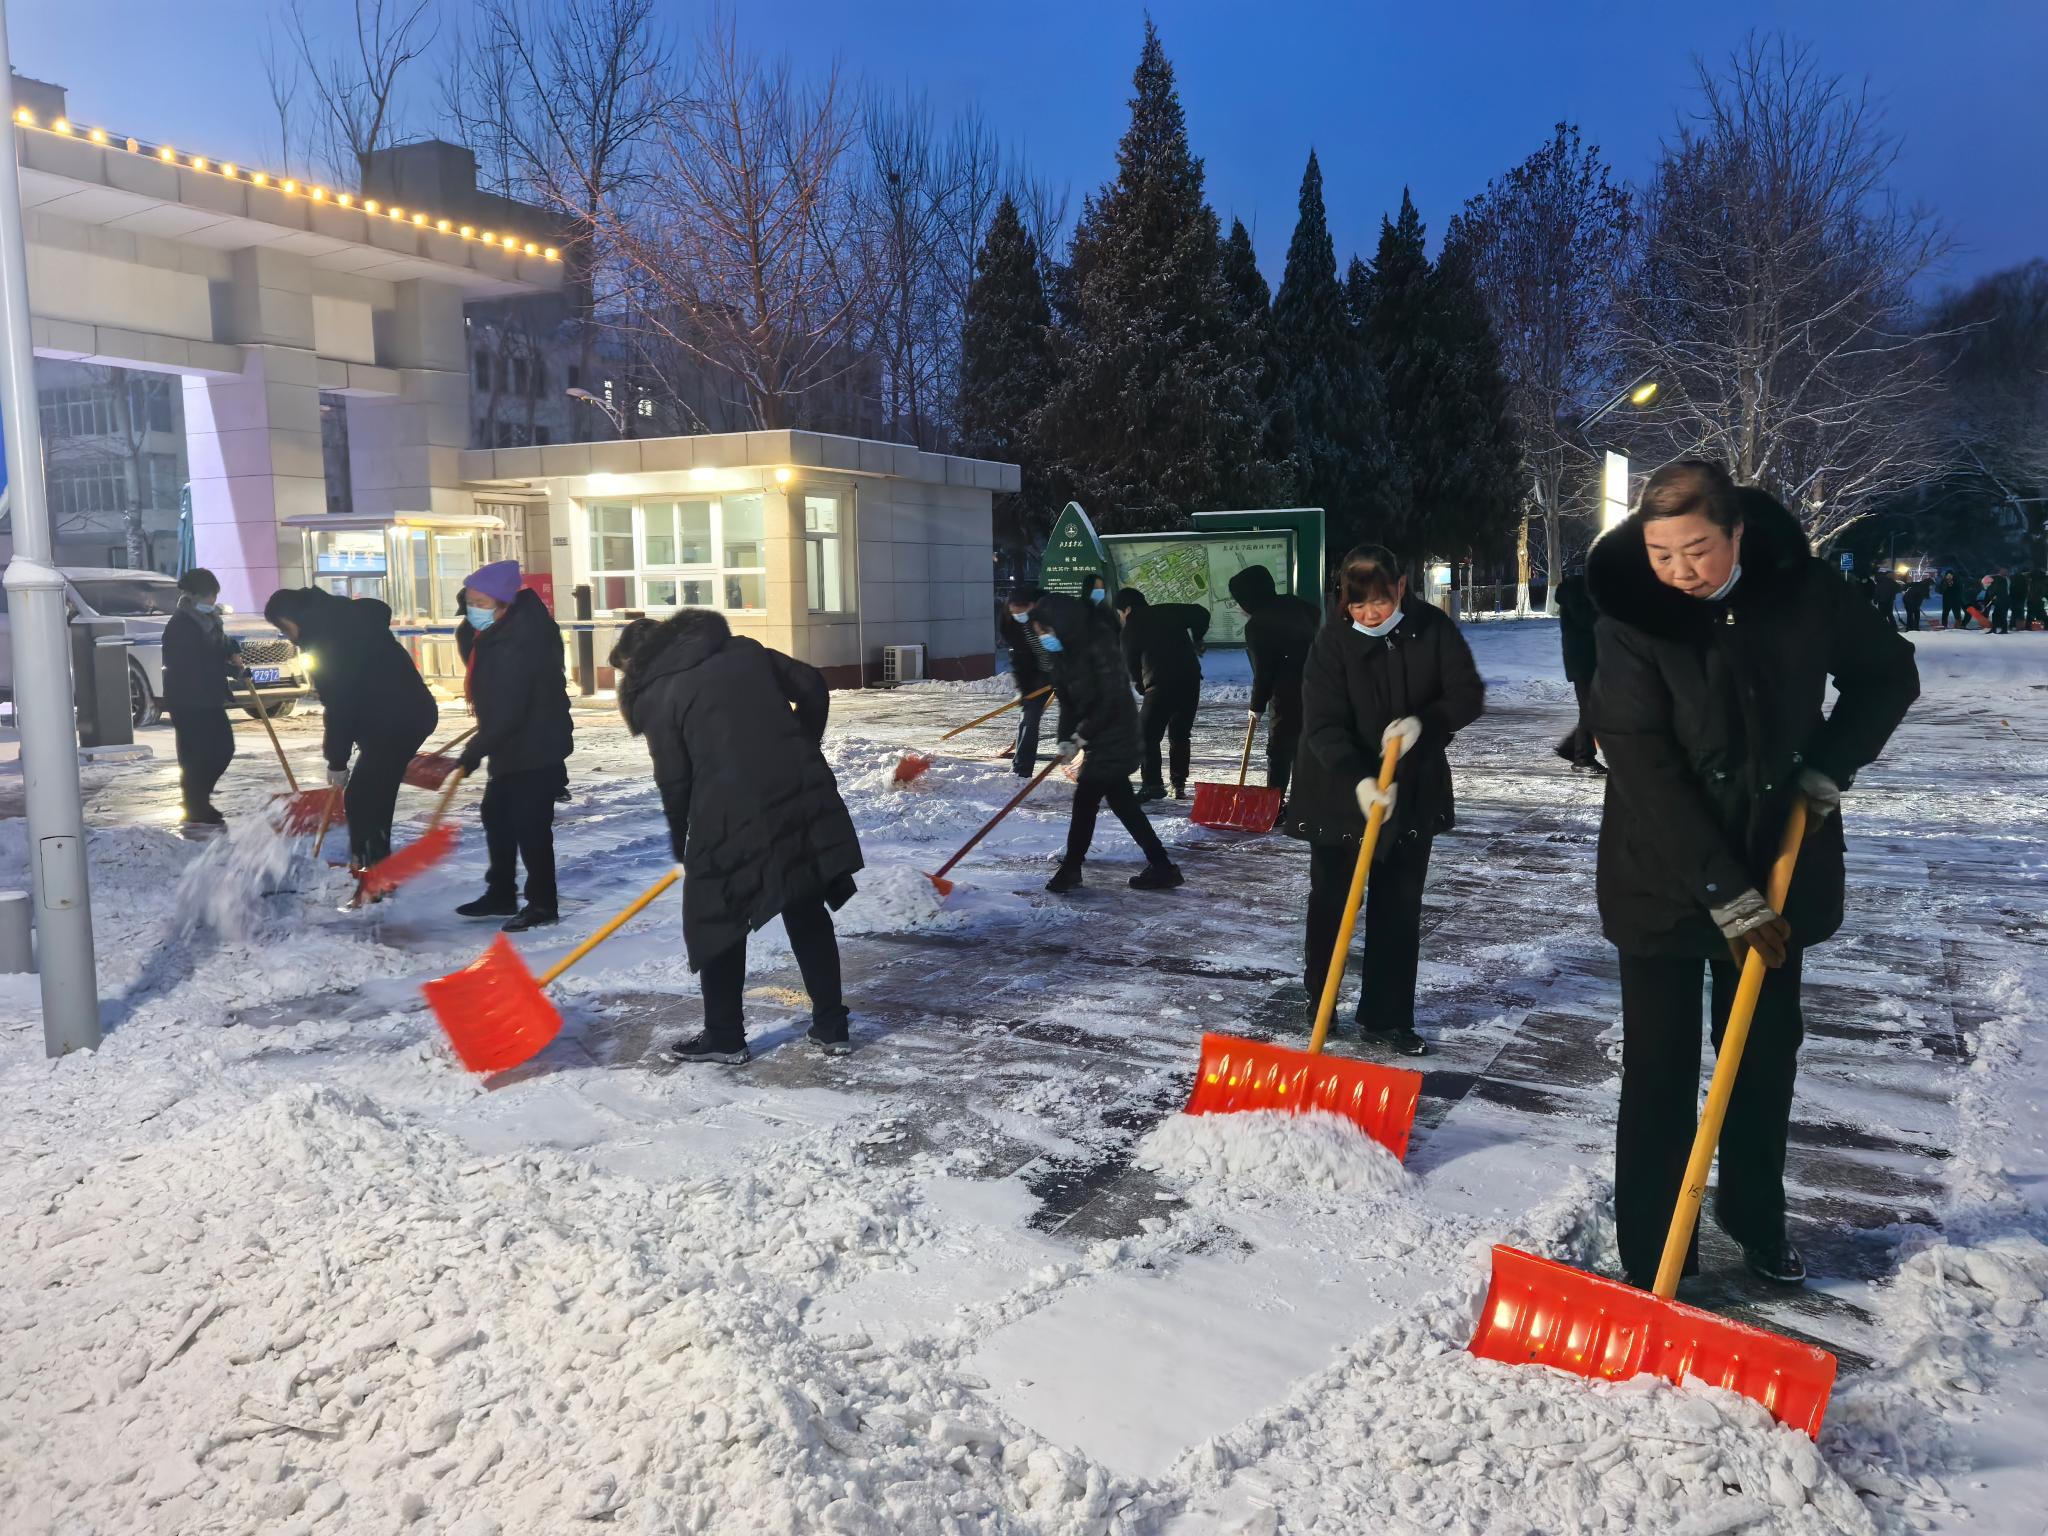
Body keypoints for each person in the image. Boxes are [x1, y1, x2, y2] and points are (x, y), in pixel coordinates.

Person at [1587, 461, 1917, 1289]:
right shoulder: (1632, 616)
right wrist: (1720, 890)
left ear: (1737, 533)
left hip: (1779, 863)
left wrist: (1830, 767)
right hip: (1664, 873)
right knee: (1659, 1070)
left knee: (1763, 1059)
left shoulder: (1805, 595)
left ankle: (1755, 1218)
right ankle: (1656, 1256)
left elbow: (1888, 673)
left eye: (1696, 549)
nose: (1678, 572)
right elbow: (1640, 761)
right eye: (1660, 552)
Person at [611, 609, 863, 1063]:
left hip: (728, 812)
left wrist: (681, 837)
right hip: (796, 795)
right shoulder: (742, 649)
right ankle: (831, 1027)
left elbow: (674, 778)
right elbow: (811, 684)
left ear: (638, 663)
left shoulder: (656, 691)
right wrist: (801, 744)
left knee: (717, 919)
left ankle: (725, 1036)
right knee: (803, 904)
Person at [1281, 545, 1484, 1057]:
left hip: (1411, 788)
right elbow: (1321, 725)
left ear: (1401, 587)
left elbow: (1466, 694)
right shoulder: (1331, 642)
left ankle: (1387, 1016)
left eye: (1379, 602)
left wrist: (1426, 723)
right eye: (1357, 605)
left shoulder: (1432, 628)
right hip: (1338, 788)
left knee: (1398, 904)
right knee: (1332, 901)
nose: (1369, 614)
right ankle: (1321, 1002)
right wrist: (1360, 781)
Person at [263, 587, 438, 875]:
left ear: (291, 618)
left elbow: (340, 705)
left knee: (362, 798)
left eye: (283, 628)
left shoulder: (327, 642)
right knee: (375, 793)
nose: (287, 636)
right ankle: (374, 866)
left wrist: (337, 761)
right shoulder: (347, 620)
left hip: (395, 721)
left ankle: (373, 872)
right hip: (409, 714)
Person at [1029, 591, 1184, 893]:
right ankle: (1163, 867)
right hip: (1097, 739)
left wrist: (1083, 733)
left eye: (1044, 629)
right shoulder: (1061, 657)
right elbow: (1068, 704)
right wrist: (1065, 740)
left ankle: (1071, 869)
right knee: (1123, 804)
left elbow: (1110, 701)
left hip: (1117, 735)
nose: (1041, 635)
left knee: (1085, 802)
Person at [450, 561, 574, 933]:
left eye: (481, 602)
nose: (473, 608)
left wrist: (475, 750)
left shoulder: (520, 642)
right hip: (512, 743)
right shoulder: (495, 633)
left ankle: (542, 904)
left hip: (535, 743)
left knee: (530, 826)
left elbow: (510, 709)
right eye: (469, 600)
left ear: (504, 603)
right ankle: (501, 892)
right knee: (497, 816)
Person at [1228, 564, 1319, 800]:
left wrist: (1256, 706)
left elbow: (1265, 672)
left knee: (1280, 751)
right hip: (1320, 687)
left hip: (1288, 695)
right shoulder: (1299, 605)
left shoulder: (1258, 625)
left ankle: (1274, 806)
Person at [161, 567, 241, 833]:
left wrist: (233, 651)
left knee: (221, 749)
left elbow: (220, 644)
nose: (212, 602)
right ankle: (196, 807)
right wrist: (230, 669)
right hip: (189, 699)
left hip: (208, 697)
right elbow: (196, 663)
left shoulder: (209, 621)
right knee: (200, 755)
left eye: (213, 596)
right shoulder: (181, 626)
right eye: (208, 596)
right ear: (192, 595)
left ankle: (198, 802)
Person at [1117, 587, 1209, 801]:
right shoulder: (1168, 611)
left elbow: (1131, 665)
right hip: (1190, 679)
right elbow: (1201, 613)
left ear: (1127, 609)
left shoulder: (1130, 628)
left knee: (1146, 735)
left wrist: (1142, 687)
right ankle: (1179, 783)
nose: (1121, 617)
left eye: (1120, 613)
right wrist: (1198, 637)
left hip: (1161, 685)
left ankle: (1153, 785)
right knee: (1180, 733)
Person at [1551, 567, 1604, 772]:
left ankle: (1573, 748)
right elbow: (1588, 621)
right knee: (1591, 710)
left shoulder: (1582, 593)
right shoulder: (1577, 594)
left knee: (1595, 709)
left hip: (1590, 661)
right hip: (1584, 662)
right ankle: (1581, 757)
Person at [998, 585, 1054, 777]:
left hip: (1067, 670)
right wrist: (1025, 689)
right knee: (1029, 717)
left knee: (1081, 716)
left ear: (1032, 606)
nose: (1017, 616)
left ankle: (1090, 763)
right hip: (1037, 672)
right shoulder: (1011, 622)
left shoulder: (1052, 614)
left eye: (1021, 612)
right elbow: (1020, 657)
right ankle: (1021, 769)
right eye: (1014, 613)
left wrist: (1065, 674)